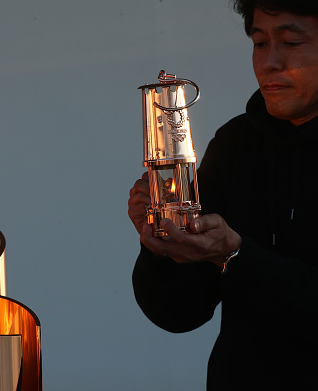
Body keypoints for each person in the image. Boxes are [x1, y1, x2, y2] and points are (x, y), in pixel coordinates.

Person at [128, 1, 318, 389]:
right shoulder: (236, 144)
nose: (270, 62)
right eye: (260, 43)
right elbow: (178, 314)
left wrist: (234, 255)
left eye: (291, 42)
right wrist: (164, 245)